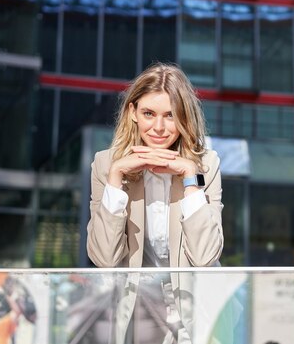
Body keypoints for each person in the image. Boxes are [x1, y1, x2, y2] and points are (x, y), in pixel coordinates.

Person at [86, 63, 224, 343]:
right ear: (132, 112)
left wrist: (189, 177)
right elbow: (104, 258)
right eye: (149, 113)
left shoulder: (206, 165)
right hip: (137, 310)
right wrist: (115, 177)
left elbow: (205, 256)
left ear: (184, 117)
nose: (159, 128)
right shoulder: (105, 165)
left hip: (198, 307)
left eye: (170, 116)